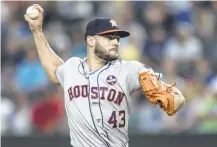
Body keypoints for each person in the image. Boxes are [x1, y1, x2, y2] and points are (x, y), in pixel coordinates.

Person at [24, 4, 185, 147]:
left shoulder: (129, 70)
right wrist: (37, 32)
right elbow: (54, 70)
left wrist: (167, 96)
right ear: (91, 41)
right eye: (108, 37)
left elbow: (176, 101)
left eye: (117, 38)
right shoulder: (72, 67)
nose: (115, 42)